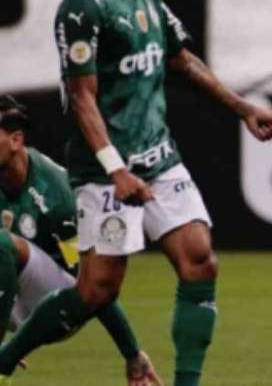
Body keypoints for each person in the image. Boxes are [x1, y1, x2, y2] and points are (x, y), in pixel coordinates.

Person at [0, 0, 272, 386]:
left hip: (160, 158)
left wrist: (243, 109)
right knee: (95, 291)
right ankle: (5, 360)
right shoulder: (82, 4)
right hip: (105, 173)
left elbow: (183, 60)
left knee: (200, 261)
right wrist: (116, 169)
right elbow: (82, 97)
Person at [0, 96, 162, 385]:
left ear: (15, 140)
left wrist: (131, 352)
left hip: (58, 304)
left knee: (2, 244)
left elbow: (94, 286)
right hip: (8, 291)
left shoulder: (57, 194)